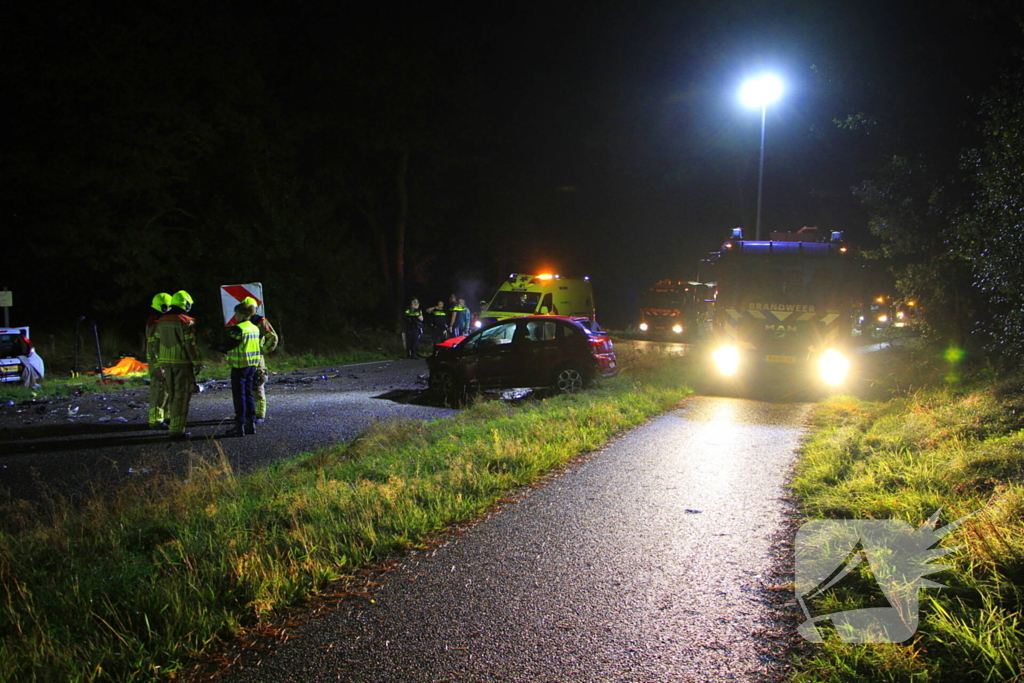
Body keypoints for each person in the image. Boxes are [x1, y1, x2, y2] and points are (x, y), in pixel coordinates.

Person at [152, 290, 201, 439]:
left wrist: (158, 363)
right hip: (182, 364)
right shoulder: (186, 321)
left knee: (170, 395)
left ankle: (171, 424)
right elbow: (189, 345)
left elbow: (156, 344)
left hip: (165, 365)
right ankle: (177, 430)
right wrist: (196, 362)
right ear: (185, 304)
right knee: (181, 397)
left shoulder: (161, 321)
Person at [224, 301, 262, 437]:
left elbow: (228, 345)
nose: (235, 316)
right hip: (252, 366)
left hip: (239, 366)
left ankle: (239, 425)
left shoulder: (238, 329)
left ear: (241, 314)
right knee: (249, 394)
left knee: (239, 396)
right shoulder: (254, 328)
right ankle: (250, 424)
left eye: (236, 313)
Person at [242, 296, 279, 422]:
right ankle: (248, 413)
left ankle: (259, 415)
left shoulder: (260, 322)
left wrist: (262, 350)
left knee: (257, 386)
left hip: (257, 360)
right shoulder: (240, 322)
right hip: (244, 359)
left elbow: (273, 337)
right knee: (246, 389)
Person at [146, 293, 173, 430]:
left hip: (164, 361)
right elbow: (154, 347)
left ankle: (166, 416)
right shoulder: (155, 324)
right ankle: (156, 420)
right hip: (159, 363)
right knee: (159, 391)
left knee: (167, 390)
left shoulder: (158, 321)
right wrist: (159, 366)